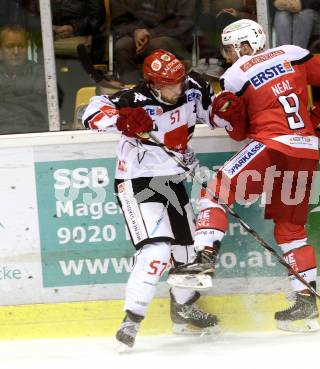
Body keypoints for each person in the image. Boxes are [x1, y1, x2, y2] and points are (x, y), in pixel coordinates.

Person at [168, 19, 320, 332]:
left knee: (216, 188)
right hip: (306, 149)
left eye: (230, 48)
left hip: (272, 146)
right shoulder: (293, 53)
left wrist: (228, 112)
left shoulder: (235, 74)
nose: (228, 55)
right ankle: (306, 305)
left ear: (246, 45)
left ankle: (204, 256)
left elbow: (239, 134)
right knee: (291, 230)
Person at [82, 49, 218, 350]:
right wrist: (120, 119)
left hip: (172, 180)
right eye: (169, 84)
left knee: (189, 257)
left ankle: (183, 311)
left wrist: (228, 109)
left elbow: (213, 111)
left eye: (179, 81)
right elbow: (90, 112)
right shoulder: (134, 100)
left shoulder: (192, 87)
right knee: (156, 251)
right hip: (136, 181)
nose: (177, 88)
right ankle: (131, 320)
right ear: (153, 84)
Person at [110, 0, 195, 84]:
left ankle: (166, 87)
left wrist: (149, 33)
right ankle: (132, 88)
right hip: (136, 36)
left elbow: (182, 21)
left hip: (173, 37)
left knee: (159, 45)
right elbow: (120, 22)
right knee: (123, 45)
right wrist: (135, 31)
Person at [0, 24, 48, 134]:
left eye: (21, 46)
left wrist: (4, 101)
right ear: (0, 50)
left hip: (34, 133)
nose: (16, 52)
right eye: (10, 46)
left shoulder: (39, 72)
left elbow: (39, 108)